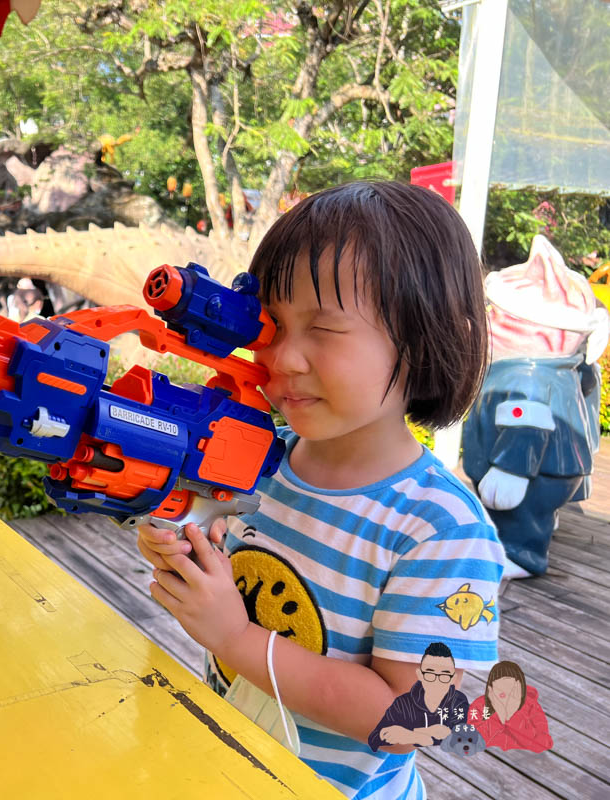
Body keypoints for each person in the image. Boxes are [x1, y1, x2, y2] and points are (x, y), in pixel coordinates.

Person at [137, 181, 506, 799]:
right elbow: (234, 559)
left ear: (426, 340)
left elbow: (412, 719)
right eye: (273, 325)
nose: (283, 358)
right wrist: (185, 547)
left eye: (324, 330)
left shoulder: (438, 529)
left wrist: (235, 638)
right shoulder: (261, 457)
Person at [367, 642, 470, 750]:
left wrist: (415, 733)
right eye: (429, 674)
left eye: (444, 675)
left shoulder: (458, 702)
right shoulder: (403, 703)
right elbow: (375, 737)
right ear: (420, 675)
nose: (436, 681)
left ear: (453, 678)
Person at [468, 661, 553, 752]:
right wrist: (498, 715)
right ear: (490, 689)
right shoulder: (479, 705)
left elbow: (543, 744)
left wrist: (513, 717)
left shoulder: (531, 706)